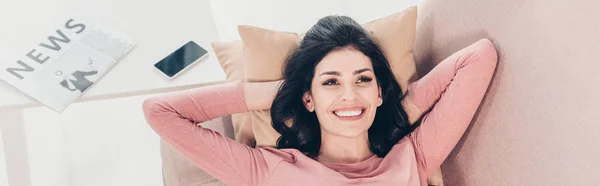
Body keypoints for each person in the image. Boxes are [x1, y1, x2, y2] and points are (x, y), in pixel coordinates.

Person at [142, 15, 498, 186]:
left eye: (363, 79)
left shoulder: (412, 156)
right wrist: (281, 93)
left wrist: (395, 109)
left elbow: (478, 58)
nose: (349, 94)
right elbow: (160, 111)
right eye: (331, 82)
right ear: (308, 98)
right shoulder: (267, 168)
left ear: (378, 90)